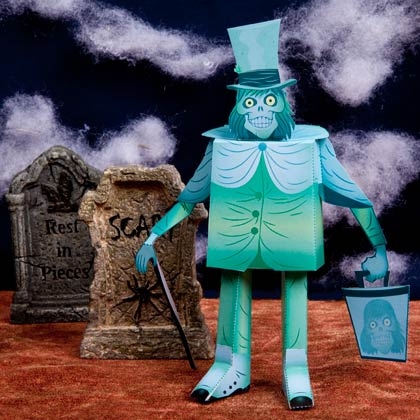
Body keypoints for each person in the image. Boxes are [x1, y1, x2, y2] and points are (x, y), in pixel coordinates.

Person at [135, 19, 388, 410]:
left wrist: (380, 247)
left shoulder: (311, 144)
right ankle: (229, 366)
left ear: (283, 103)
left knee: (295, 289)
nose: (259, 111)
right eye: (250, 102)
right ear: (238, 107)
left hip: (293, 239)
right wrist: (152, 237)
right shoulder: (220, 146)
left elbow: (353, 195)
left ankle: (295, 367)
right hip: (235, 239)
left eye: (269, 101)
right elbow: (189, 198)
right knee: (234, 289)